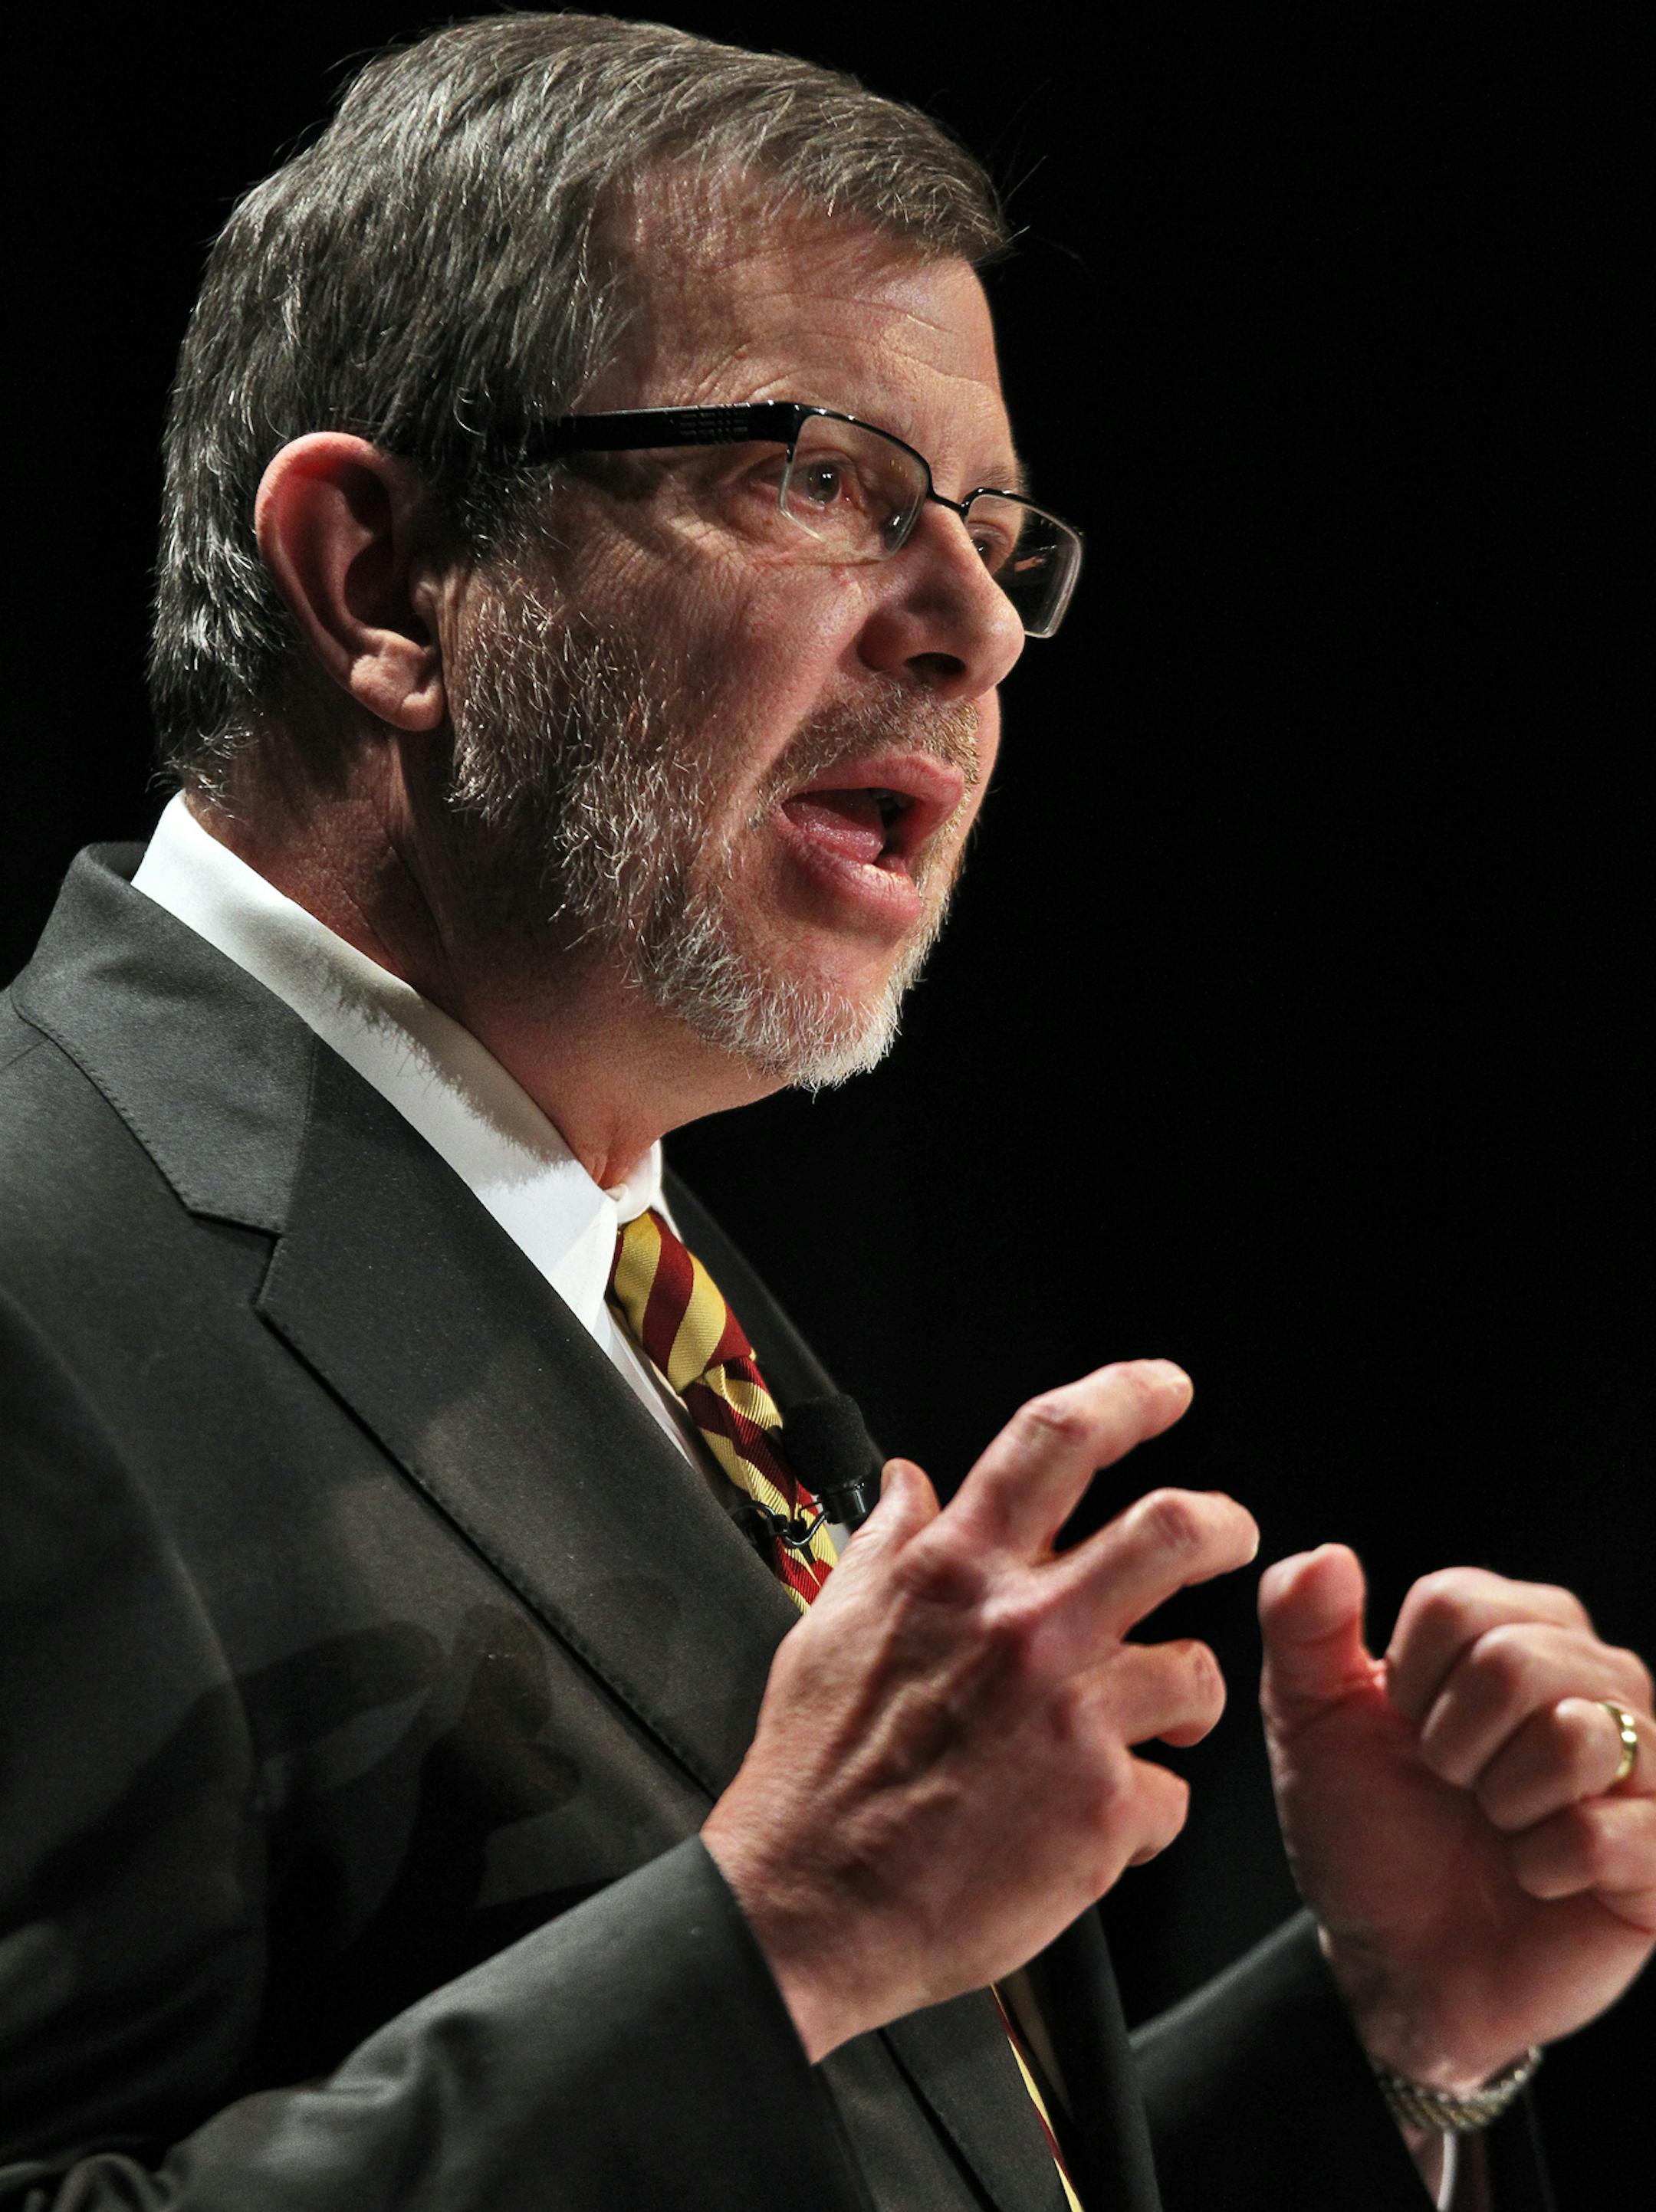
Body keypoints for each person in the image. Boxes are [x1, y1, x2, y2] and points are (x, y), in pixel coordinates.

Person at [2, 14, 1650, 2210]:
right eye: (824, 479)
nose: (978, 625)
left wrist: (1388, 2037)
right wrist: (775, 1933)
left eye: (992, 531)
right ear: (387, 582)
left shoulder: (666, 1316)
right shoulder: (40, 1266)